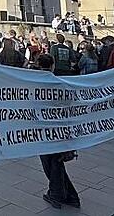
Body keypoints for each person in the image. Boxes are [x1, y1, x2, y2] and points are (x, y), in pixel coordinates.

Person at [34, 53, 80, 209]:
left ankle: (57, 194)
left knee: (51, 162)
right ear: (52, 65)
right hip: (60, 127)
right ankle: (69, 195)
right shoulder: (60, 83)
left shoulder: (33, 83)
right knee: (56, 161)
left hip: (44, 129)